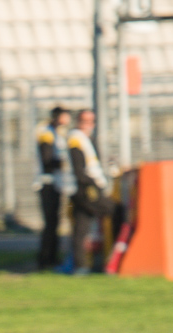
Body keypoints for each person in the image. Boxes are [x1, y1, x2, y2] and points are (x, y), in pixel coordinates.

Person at [67, 109, 114, 275]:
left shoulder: (85, 139)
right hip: (86, 188)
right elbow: (79, 168)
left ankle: (81, 265)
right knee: (115, 211)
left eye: (91, 121)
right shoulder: (76, 139)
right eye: (84, 120)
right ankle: (113, 258)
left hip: (84, 187)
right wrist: (93, 185)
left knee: (81, 226)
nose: (88, 124)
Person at [33, 106, 70, 270]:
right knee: (50, 223)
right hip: (47, 183)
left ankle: (53, 257)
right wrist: (67, 163)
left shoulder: (57, 133)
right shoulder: (47, 133)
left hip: (56, 183)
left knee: (55, 222)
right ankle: (45, 259)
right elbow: (47, 159)